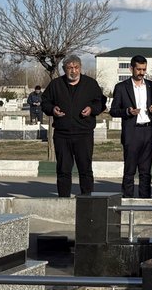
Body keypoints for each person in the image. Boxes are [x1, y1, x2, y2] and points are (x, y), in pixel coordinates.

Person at [41, 55, 106, 197]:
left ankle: (87, 198)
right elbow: (45, 102)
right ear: (64, 69)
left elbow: (100, 103)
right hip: (62, 135)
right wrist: (52, 109)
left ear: (80, 68)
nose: (73, 71)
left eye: (76, 67)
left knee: (85, 168)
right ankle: (63, 198)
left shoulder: (90, 84)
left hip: (84, 133)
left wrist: (91, 109)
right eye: (70, 68)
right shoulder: (56, 84)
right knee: (63, 169)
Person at [108, 55, 152, 198]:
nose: (141, 72)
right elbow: (113, 111)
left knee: (146, 171)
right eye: (138, 69)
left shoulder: (151, 86)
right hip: (132, 132)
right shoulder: (121, 87)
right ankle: (127, 199)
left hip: (148, 131)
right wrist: (127, 111)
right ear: (131, 68)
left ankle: (145, 200)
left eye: (144, 69)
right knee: (130, 170)